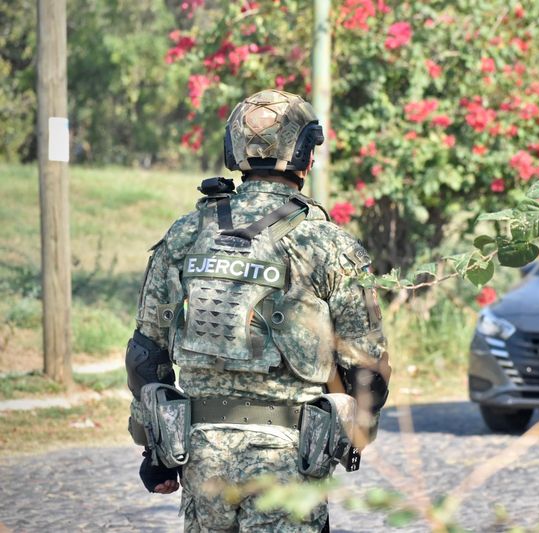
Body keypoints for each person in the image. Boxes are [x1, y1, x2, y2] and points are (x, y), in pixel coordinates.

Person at [125, 89, 391, 532]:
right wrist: (351, 437)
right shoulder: (328, 245)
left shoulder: (189, 232)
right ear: (306, 155)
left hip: (202, 456)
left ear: (235, 150)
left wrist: (155, 451)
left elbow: (145, 355)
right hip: (289, 461)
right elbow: (368, 371)